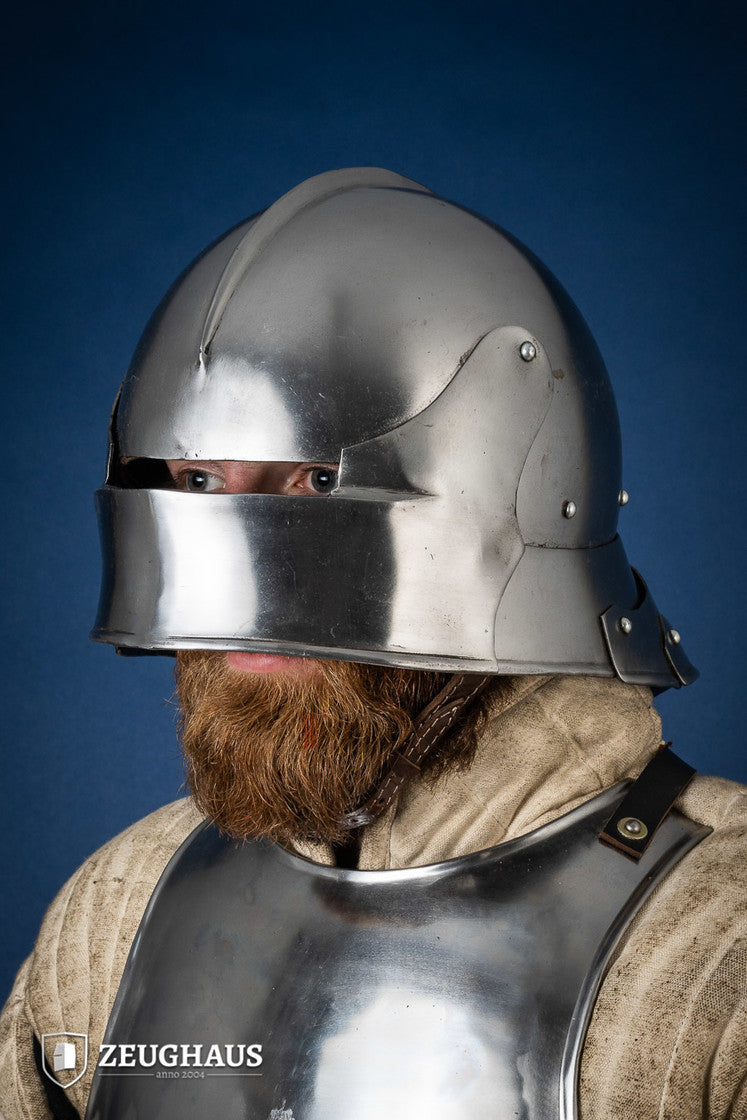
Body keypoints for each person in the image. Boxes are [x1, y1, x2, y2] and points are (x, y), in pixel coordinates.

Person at [0, 167, 744, 1120]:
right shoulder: (117, 913)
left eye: (314, 480)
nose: (247, 588)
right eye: (195, 482)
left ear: (509, 492)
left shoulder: (719, 946)